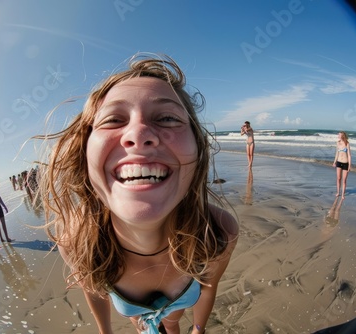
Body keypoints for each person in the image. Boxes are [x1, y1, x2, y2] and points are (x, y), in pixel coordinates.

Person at [39, 54, 239, 334]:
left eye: (168, 118)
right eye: (112, 119)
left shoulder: (218, 232)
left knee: (172, 325)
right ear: (84, 151)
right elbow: (95, 290)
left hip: (179, 319)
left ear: (198, 148)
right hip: (138, 321)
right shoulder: (76, 238)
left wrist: (198, 330)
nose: (139, 133)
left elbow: (208, 288)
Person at [332, 131, 352, 199]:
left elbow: (349, 155)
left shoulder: (347, 143)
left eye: (339, 134)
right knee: (338, 178)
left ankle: (343, 194)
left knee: (344, 180)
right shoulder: (338, 143)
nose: (338, 135)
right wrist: (334, 162)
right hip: (339, 162)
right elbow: (337, 154)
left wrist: (349, 165)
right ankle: (338, 192)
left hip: (345, 163)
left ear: (342, 136)